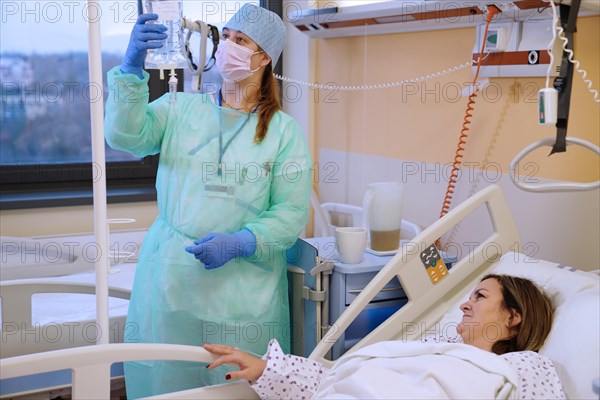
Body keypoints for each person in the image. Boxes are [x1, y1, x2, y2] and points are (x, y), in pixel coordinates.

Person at [104, 4, 312, 398]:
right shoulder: (180, 107)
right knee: (166, 381)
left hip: (242, 294)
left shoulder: (284, 133)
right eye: (227, 36)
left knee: (234, 385)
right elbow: (125, 137)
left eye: (241, 40)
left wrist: (242, 242)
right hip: (172, 281)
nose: (227, 46)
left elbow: (290, 212)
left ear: (264, 57)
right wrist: (131, 70)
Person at [204, 274, 566, 399]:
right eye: (469, 296)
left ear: (513, 317)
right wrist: (267, 369)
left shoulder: (524, 366)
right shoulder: (428, 349)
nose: (465, 305)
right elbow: (340, 377)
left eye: (480, 296)